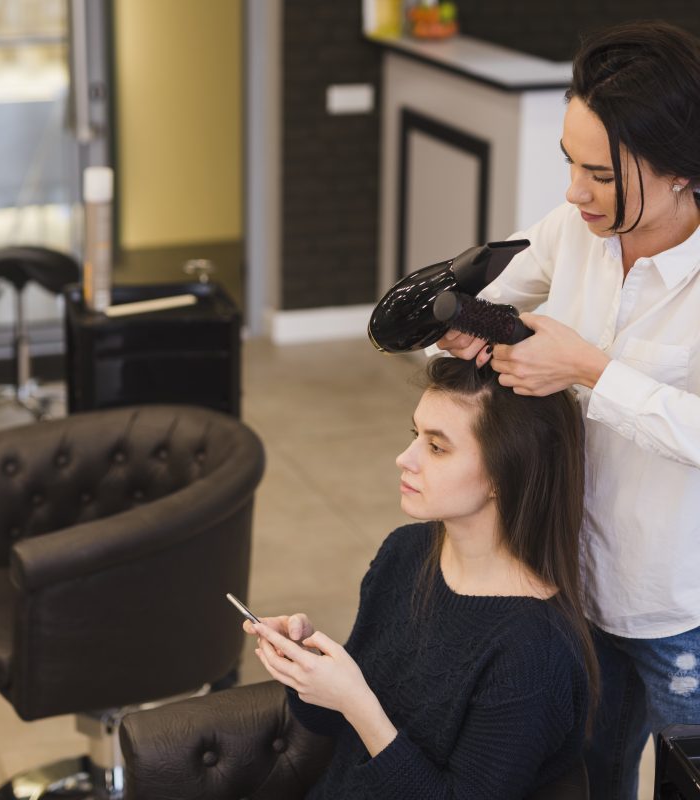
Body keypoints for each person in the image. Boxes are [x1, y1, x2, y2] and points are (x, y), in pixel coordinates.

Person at [436, 20, 700, 800]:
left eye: (602, 175)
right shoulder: (572, 232)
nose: (574, 193)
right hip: (575, 582)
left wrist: (589, 367)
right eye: (569, 164)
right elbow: (476, 308)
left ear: (684, 169)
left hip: (682, 611)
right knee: (586, 779)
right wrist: (461, 327)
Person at [245, 356, 597, 799]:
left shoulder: (533, 655)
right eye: (416, 435)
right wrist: (307, 668)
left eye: (436, 447)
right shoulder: (405, 553)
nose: (404, 459)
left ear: (503, 476)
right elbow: (333, 723)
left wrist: (359, 703)